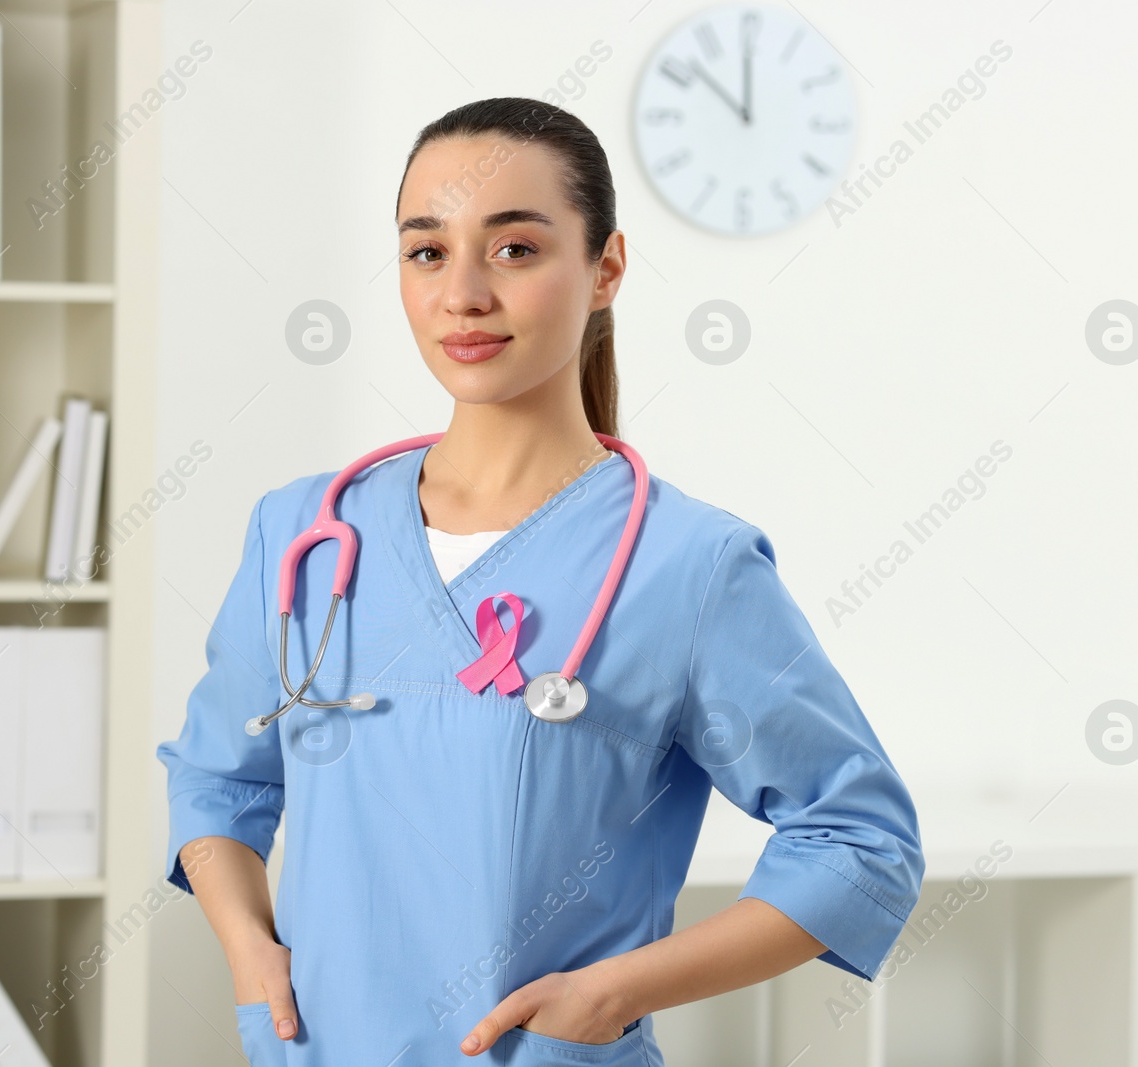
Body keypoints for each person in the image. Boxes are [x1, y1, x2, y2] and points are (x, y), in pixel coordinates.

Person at [156, 96, 924, 1065]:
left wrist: (616, 990)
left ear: (605, 269)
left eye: (514, 249)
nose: (463, 294)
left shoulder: (685, 565)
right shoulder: (305, 532)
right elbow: (215, 777)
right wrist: (248, 950)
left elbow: (859, 838)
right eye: (427, 251)